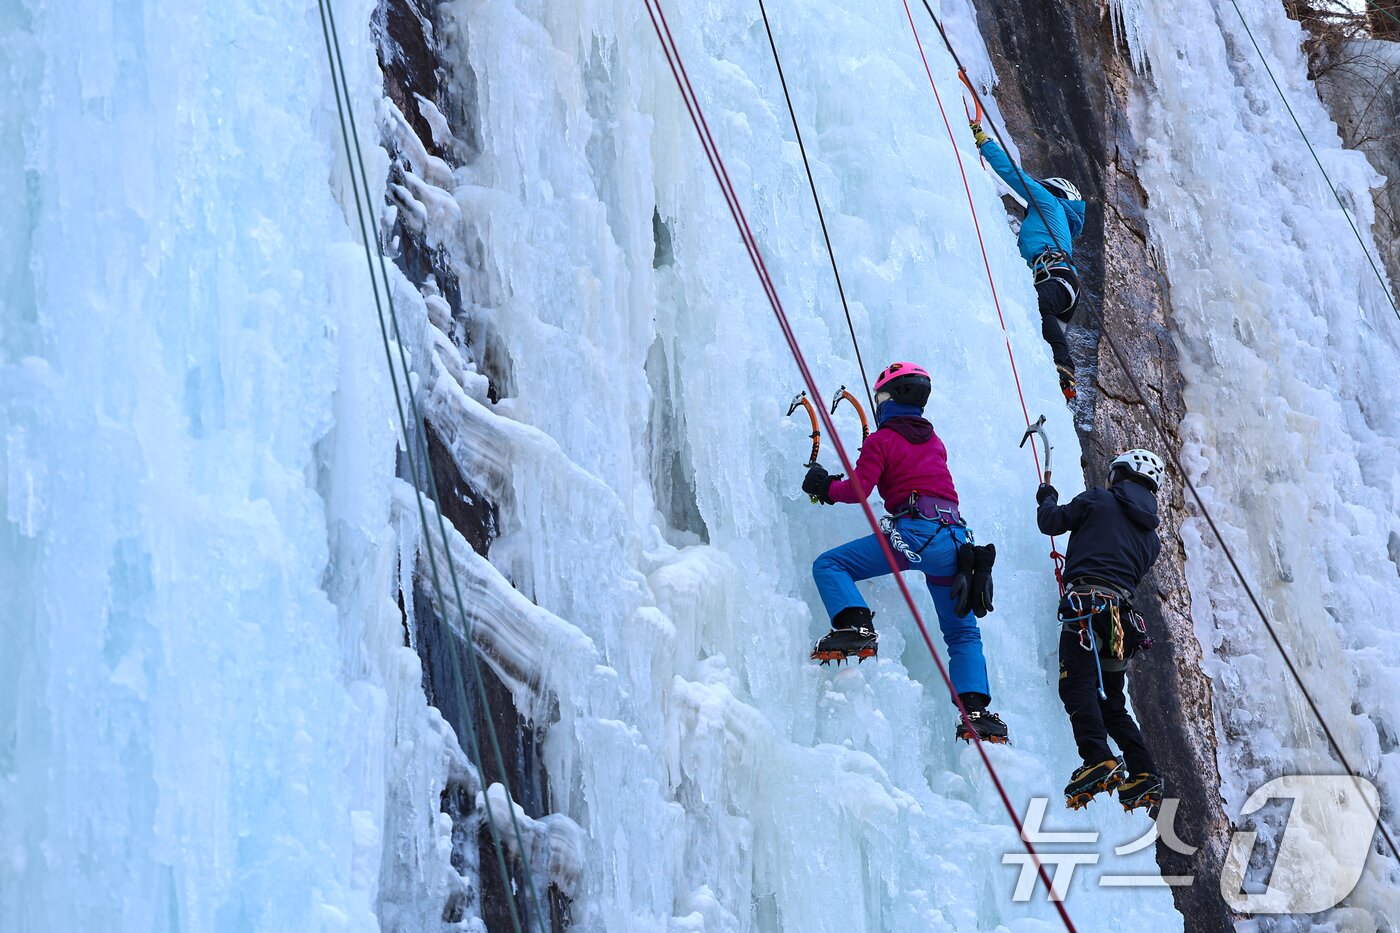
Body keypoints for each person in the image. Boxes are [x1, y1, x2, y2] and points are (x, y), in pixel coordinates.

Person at [802, 362, 1006, 743]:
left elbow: (859, 490)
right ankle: (976, 711)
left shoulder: (882, 441)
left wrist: (825, 487)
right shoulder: (935, 442)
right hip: (956, 541)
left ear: (890, 400)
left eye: (880, 397)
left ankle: (855, 625)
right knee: (962, 634)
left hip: (915, 534)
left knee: (830, 564)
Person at [1035, 448, 1167, 814]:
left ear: (1121, 474)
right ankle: (1144, 773)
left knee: (1076, 684)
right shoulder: (1151, 540)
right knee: (1113, 703)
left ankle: (1097, 757)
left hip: (1087, 607)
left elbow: (1051, 522)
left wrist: (1047, 496)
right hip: (1121, 623)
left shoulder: (1098, 500)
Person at [968, 120, 1086, 401]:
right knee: (1036, 329)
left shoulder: (1049, 203)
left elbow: (1014, 175)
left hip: (1055, 277)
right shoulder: (1057, 226)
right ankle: (1054, 382)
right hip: (1063, 285)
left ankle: (1064, 367)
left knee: (1034, 305)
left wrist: (984, 142)